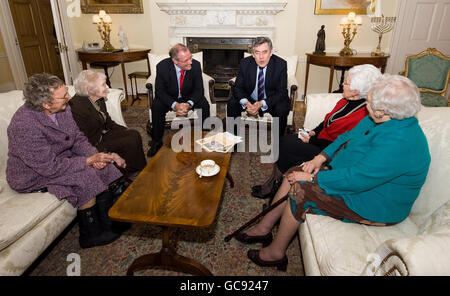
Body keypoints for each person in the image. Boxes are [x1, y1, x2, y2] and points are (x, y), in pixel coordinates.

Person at [237, 74, 431, 270]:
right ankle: (265, 227)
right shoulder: (381, 119)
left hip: (373, 202)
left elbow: (357, 179)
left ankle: (276, 253)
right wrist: (319, 158)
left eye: (370, 103)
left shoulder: (401, 142)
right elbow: (346, 137)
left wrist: (313, 177)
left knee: (301, 190)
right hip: (350, 176)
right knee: (296, 170)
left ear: (383, 111)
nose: (365, 106)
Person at [6, 73, 127, 249]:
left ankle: (108, 220)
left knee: (103, 164)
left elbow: (77, 138)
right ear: (46, 104)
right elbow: (49, 168)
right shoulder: (24, 126)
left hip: (59, 159)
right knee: (84, 175)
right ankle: (91, 234)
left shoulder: (63, 108)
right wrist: (87, 162)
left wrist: (95, 157)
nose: (69, 98)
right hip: (32, 174)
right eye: (64, 96)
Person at [251, 64, 382, 201]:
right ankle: (274, 185)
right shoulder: (345, 100)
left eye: (346, 83)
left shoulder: (363, 114)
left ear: (356, 91)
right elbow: (327, 120)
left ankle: (273, 186)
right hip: (319, 140)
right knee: (285, 143)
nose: (342, 84)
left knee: (286, 144)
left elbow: (340, 142)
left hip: (329, 151)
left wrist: (312, 140)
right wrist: (313, 132)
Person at [69, 70, 146, 180]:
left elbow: (108, 122)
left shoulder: (98, 99)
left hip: (102, 135)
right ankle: (130, 174)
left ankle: (137, 171)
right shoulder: (77, 109)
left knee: (133, 134)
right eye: (103, 84)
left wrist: (125, 130)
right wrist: (110, 152)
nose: (107, 87)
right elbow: (82, 141)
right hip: (92, 144)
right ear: (90, 89)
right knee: (129, 141)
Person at [149, 43, 210, 157]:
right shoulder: (162, 67)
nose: (190, 62)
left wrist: (188, 104)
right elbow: (160, 92)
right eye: (186, 60)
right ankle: (156, 141)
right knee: (156, 105)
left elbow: (199, 90)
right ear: (175, 61)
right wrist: (175, 105)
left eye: (190, 57)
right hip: (170, 97)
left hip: (188, 96)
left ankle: (204, 138)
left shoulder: (196, 65)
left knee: (204, 104)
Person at [226, 36, 290, 137]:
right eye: (257, 52)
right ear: (253, 54)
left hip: (270, 99)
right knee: (232, 103)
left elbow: (282, 92)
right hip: (250, 99)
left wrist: (261, 104)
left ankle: (280, 144)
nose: (261, 57)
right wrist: (247, 103)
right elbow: (237, 88)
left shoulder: (280, 64)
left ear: (271, 52)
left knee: (281, 108)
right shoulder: (245, 63)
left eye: (264, 52)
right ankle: (233, 140)